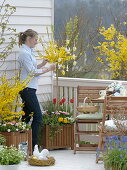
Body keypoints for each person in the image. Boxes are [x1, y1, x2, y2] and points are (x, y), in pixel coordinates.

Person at [17, 29, 55, 150]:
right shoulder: (24, 52)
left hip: (30, 88)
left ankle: (22, 146)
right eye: (35, 39)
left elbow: (33, 68)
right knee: (38, 117)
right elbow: (32, 72)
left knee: (26, 117)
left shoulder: (28, 51)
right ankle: (34, 147)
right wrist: (48, 69)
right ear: (29, 39)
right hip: (27, 89)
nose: (37, 42)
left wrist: (42, 64)